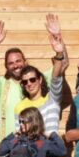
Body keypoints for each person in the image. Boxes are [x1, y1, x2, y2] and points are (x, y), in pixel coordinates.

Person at [0, 16, 63, 139]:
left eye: (18, 61)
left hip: (40, 145)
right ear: (6, 66)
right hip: (9, 145)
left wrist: (58, 39)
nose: (15, 65)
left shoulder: (38, 76)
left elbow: (62, 66)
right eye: (11, 63)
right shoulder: (2, 84)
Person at [13, 15, 69, 146]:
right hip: (29, 153)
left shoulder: (52, 99)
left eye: (32, 79)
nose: (29, 83)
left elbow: (56, 77)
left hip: (50, 151)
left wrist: (59, 52)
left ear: (40, 80)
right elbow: (19, 134)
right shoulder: (19, 107)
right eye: (25, 82)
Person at [0, 108, 66, 157]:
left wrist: (52, 135)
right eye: (20, 122)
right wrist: (12, 135)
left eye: (23, 122)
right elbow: (0, 151)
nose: (21, 124)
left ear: (33, 122)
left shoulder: (42, 142)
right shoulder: (17, 140)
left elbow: (62, 150)